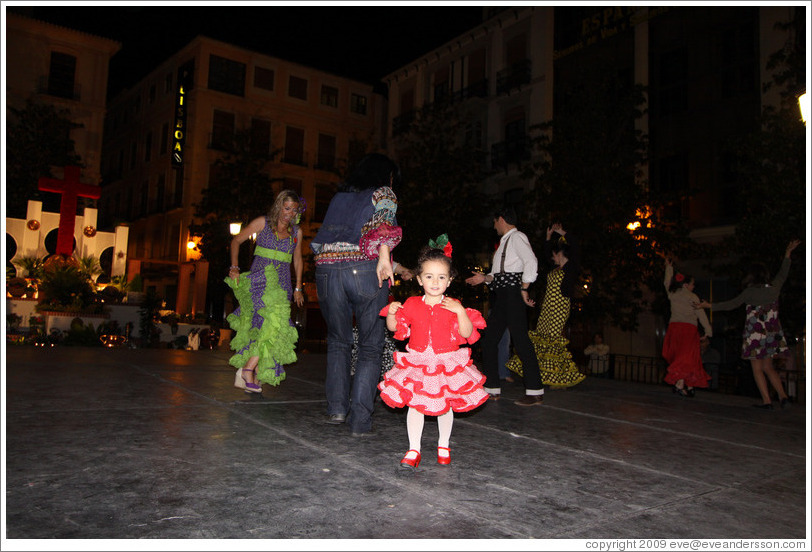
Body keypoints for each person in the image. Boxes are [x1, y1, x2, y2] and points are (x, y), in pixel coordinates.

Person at [311, 153, 402, 436]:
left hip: (326, 271)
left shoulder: (339, 197)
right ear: (386, 176)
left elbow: (321, 239)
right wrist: (385, 257)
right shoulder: (383, 192)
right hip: (364, 268)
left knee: (338, 341)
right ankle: (360, 420)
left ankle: (337, 409)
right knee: (370, 346)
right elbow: (383, 222)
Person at [378, 240, 488, 469]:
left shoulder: (453, 304)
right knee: (416, 406)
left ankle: (444, 444)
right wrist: (391, 314)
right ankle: (414, 449)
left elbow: (467, 333)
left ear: (449, 280)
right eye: (429, 276)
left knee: (445, 406)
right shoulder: (411, 304)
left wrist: (460, 313)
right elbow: (395, 329)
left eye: (441, 277)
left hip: (445, 363)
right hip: (418, 362)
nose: (435, 282)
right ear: (419, 279)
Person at [695, 239, 800, 409]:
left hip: (755, 334)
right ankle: (783, 397)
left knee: (757, 368)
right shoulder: (773, 288)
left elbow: (731, 304)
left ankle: (767, 400)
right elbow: (783, 273)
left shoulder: (750, 292)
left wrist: (709, 305)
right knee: (768, 367)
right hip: (772, 332)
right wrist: (787, 254)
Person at [226, 189, 304, 393]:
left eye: (294, 210)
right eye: (287, 208)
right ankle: (247, 369)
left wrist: (298, 287)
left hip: (283, 285)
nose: (290, 213)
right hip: (260, 280)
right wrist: (234, 267)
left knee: (273, 327)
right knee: (267, 324)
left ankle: (252, 370)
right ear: (279, 206)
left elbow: (297, 259)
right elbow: (236, 241)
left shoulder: (297, 233)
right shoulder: (262, 223)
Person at [465, 206, 543, 406]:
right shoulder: (504, 243)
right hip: (503, 296)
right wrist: (484, 278)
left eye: (494, 221)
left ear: (501, 219)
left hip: (512, 296)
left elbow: (531, 263)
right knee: (490, 340)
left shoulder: (517, 238)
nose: (493, 225)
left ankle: (535, 391)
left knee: (521, 341)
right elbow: (499, 274)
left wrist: (524, 288)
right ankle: (492, 388)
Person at [506, 223, 586, 388]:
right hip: (548, 307)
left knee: (552, 339)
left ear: (561, 253)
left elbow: (576, 246)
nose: (552, 257)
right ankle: (542, 374)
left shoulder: (570, 268)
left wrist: (561, 232)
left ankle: (559, 378)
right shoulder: (554, 268)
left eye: (555, 254)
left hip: (559, 308)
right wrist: (549, 237)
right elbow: (545, 254)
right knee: (541, 337)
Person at [662, 258, 712, 397]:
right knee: (688, 357)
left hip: (674, 329)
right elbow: (701, 314)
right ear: (685, 285)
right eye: (692, 284)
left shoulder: (672, 294)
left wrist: (668, 268)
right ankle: (681, 383)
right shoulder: (693, 297)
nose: (693, 286)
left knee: (681, 356)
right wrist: (708, 330)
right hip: (688, 330)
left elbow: (667, 282)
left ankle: (689, 384)